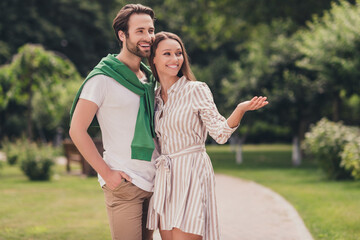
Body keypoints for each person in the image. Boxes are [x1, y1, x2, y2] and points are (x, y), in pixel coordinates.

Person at [146, 32, 269, 240]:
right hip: (166, 178)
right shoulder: (153, 97)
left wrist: (239, 110)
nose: (175, 59)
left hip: (193, 173)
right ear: (154, 59)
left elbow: (220, 134)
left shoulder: (196, 90)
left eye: (178, 53)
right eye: (167, 54)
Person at [69, 4, 158, 240]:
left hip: (154, 181)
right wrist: (107, 174)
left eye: (151, 30)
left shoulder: (149, 78)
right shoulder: (102, 79)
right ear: (122, 35)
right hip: (125, 183)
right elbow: (77, 130)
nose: (148, 37)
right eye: (140, 31)